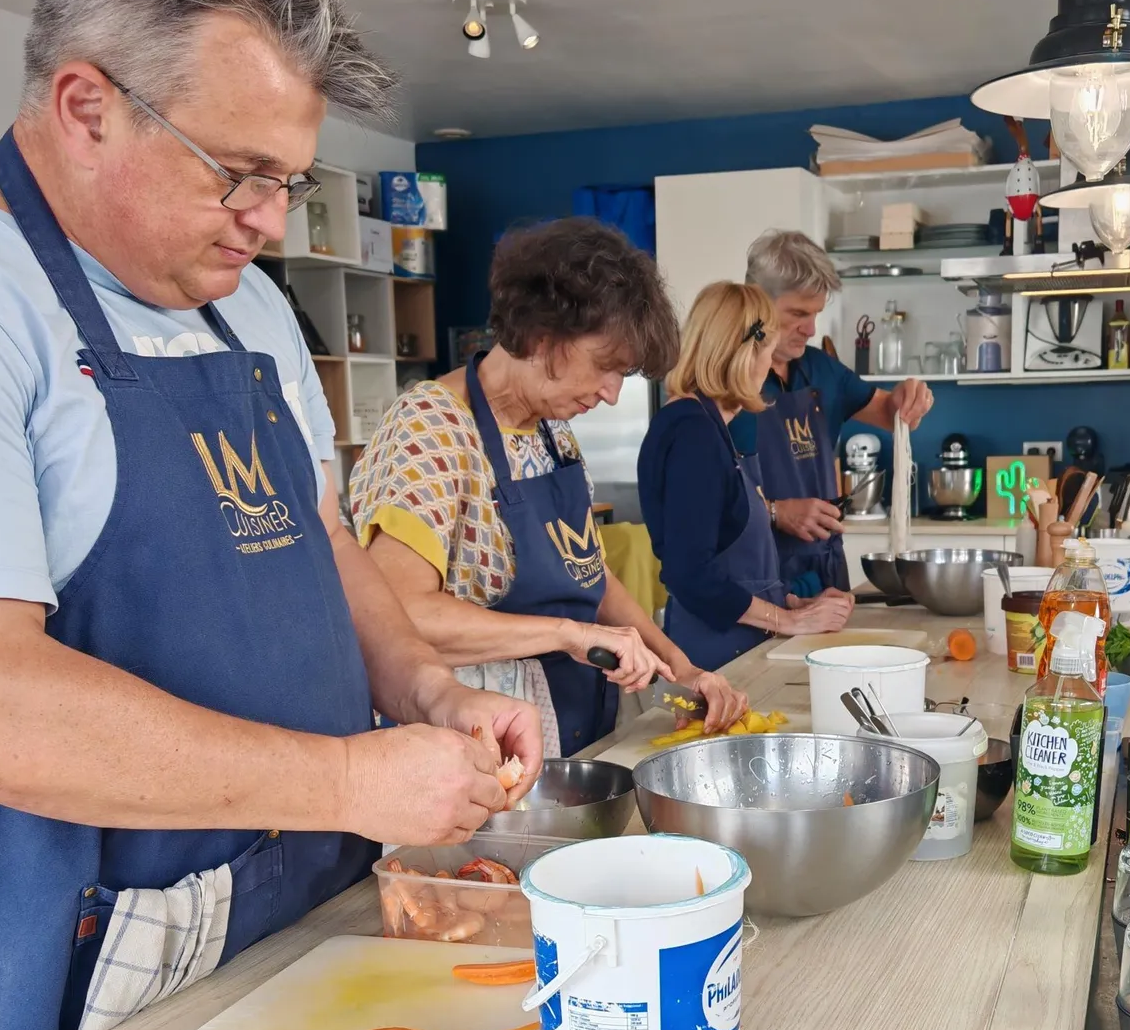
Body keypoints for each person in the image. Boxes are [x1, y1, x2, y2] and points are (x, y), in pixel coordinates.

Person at [0, 0, 542, 1030]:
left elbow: (321, 536)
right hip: (25, 970)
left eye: (288, 180)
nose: (270, 220)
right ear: (86, 106)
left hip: (266, 913)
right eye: (239, 172)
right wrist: (347, 784)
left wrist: (427, 689)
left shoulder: (245, 306)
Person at [351, 219, 747, 752]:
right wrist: (568, 634)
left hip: (576, 721)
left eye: (623, 375)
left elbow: (590, 573)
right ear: (542, 336)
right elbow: (397, 614)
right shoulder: (430, 428)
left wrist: (681, 668)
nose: (611, 394)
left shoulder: (552, 431)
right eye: (605, 367)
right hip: (477, 741)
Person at [639, 283, 855, 670]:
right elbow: (691, 575)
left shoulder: (706, 425)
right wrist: (787, 621)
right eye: (769, 353)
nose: (769, 367)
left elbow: (728, 560)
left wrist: (789, 603)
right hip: (715, 656)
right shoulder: (693, 434)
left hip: (739, 646)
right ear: (746, 356)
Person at [737, 229, 936, 595]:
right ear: (755, 301)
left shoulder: (822, 370)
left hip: (823, 572)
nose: (811, 329)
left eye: (816, 313)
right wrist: (777, 511)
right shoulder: (722, 377)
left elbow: (889, 412)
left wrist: (907, 398)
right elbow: (703, 498)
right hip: (753, 578)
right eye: (798, 314)